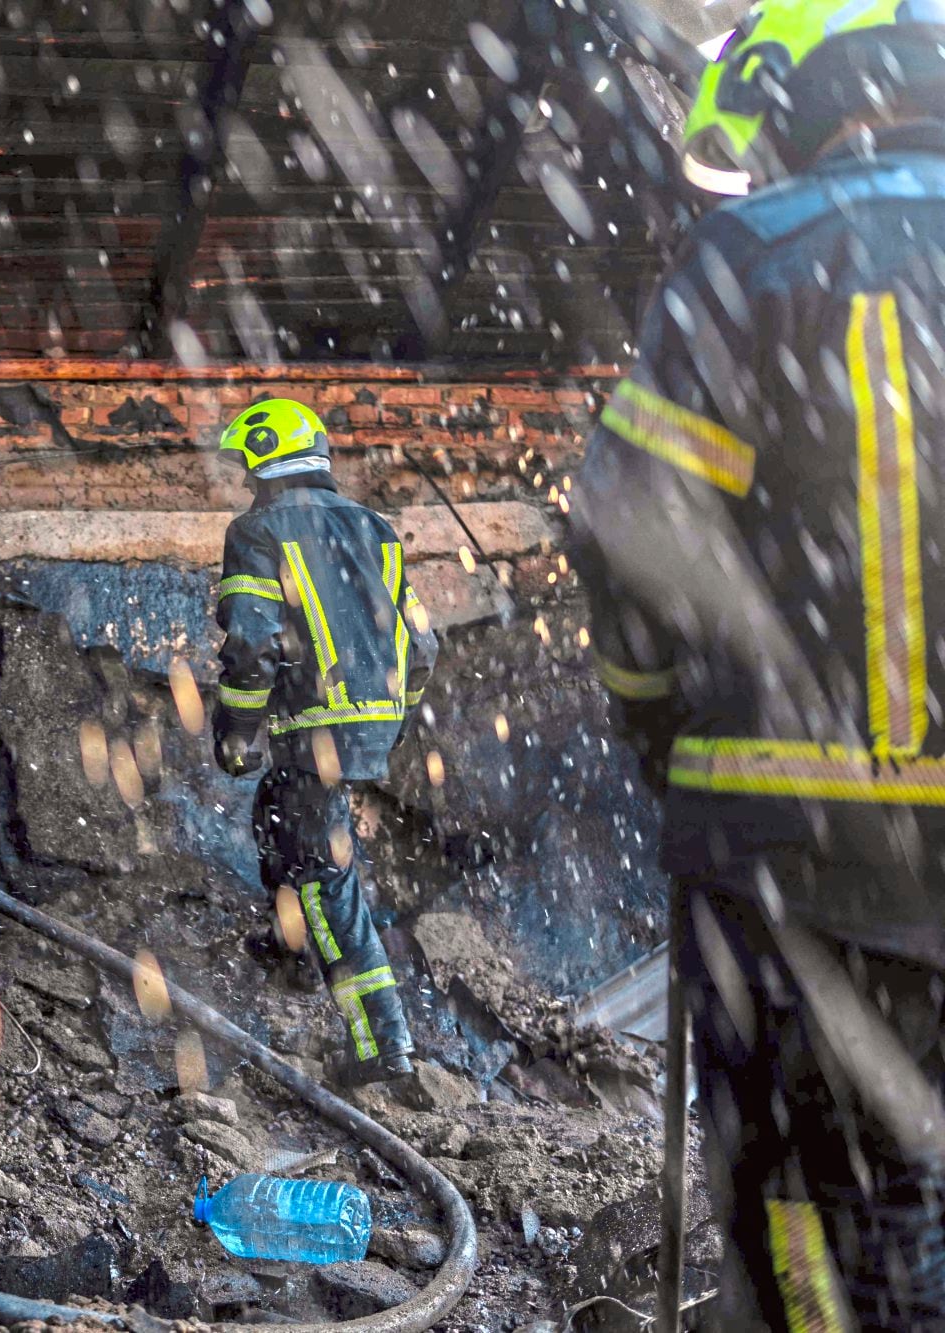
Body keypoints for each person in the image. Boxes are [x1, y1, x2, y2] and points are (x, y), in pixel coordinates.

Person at [575, 1, 945, 1322]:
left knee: (787, 1192)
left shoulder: (760, 248)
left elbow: (627, 529)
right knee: (915, 1190)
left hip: (783, 854)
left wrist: (651, 722)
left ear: (818, 115)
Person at [209, 398, 438, 1085]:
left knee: (319, 874)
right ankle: (286, 943)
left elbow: (250, 643)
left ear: (265, 459)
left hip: (313, 729)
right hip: (369, 725)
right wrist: (390, 719)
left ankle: (381, 1041)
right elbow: (422, 644)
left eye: (247, 468)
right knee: (280, 823)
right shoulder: (377, 529)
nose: (246, 483)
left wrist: (236, 730)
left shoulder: (258, 530)